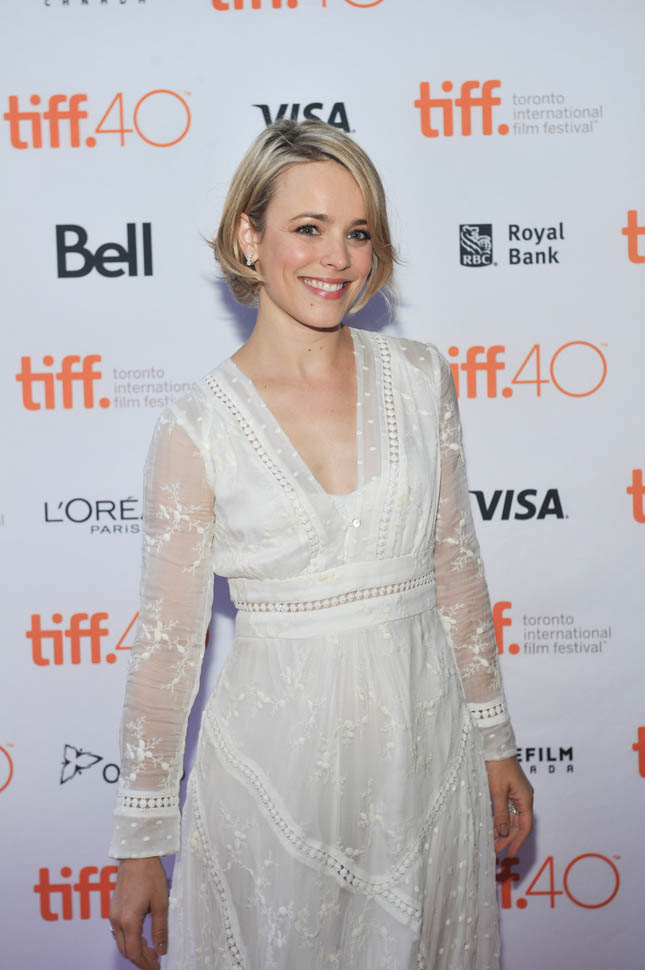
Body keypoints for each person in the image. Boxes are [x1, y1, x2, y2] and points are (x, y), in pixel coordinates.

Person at [108, 119, 533, 970]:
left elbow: (455, 572)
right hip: (276, 782)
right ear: (248, 235)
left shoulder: (421, 378)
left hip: (425, 755)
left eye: (358, 233)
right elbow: (167, 645)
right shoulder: (196, 426)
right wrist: (141, 839)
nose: (337, 258)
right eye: (308, 227)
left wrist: (495, 741)